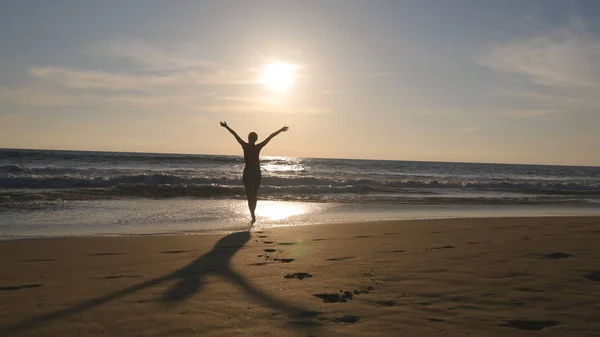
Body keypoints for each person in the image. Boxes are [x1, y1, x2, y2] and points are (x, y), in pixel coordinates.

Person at [220, 121, 289, 223]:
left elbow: (235, 134)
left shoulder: (248, 146)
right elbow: (269, 137)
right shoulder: (253, 146)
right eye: (251, 138)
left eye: (251, 138)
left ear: (252, 139)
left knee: (252, 195)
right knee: (251, 195)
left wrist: (226, 127)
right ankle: (252, 214)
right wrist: (226, 127)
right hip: (252, 172)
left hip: (252, 172)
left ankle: (252, 213)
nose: (251, 139)